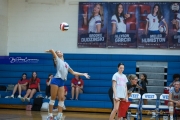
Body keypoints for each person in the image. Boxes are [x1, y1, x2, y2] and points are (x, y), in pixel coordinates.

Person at [45, 49, 90, 120]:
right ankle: (50, 115)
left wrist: (83, 74)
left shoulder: (66, 64)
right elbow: (53, 52)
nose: (60, 52)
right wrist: (51, 50)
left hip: (62, 81)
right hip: (56, 80)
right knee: (53, 98)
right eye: (58, 52)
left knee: (62, 98)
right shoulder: (57, 60)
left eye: (60, 51)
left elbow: (73, 72)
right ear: (57, 55)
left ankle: (59, 115)